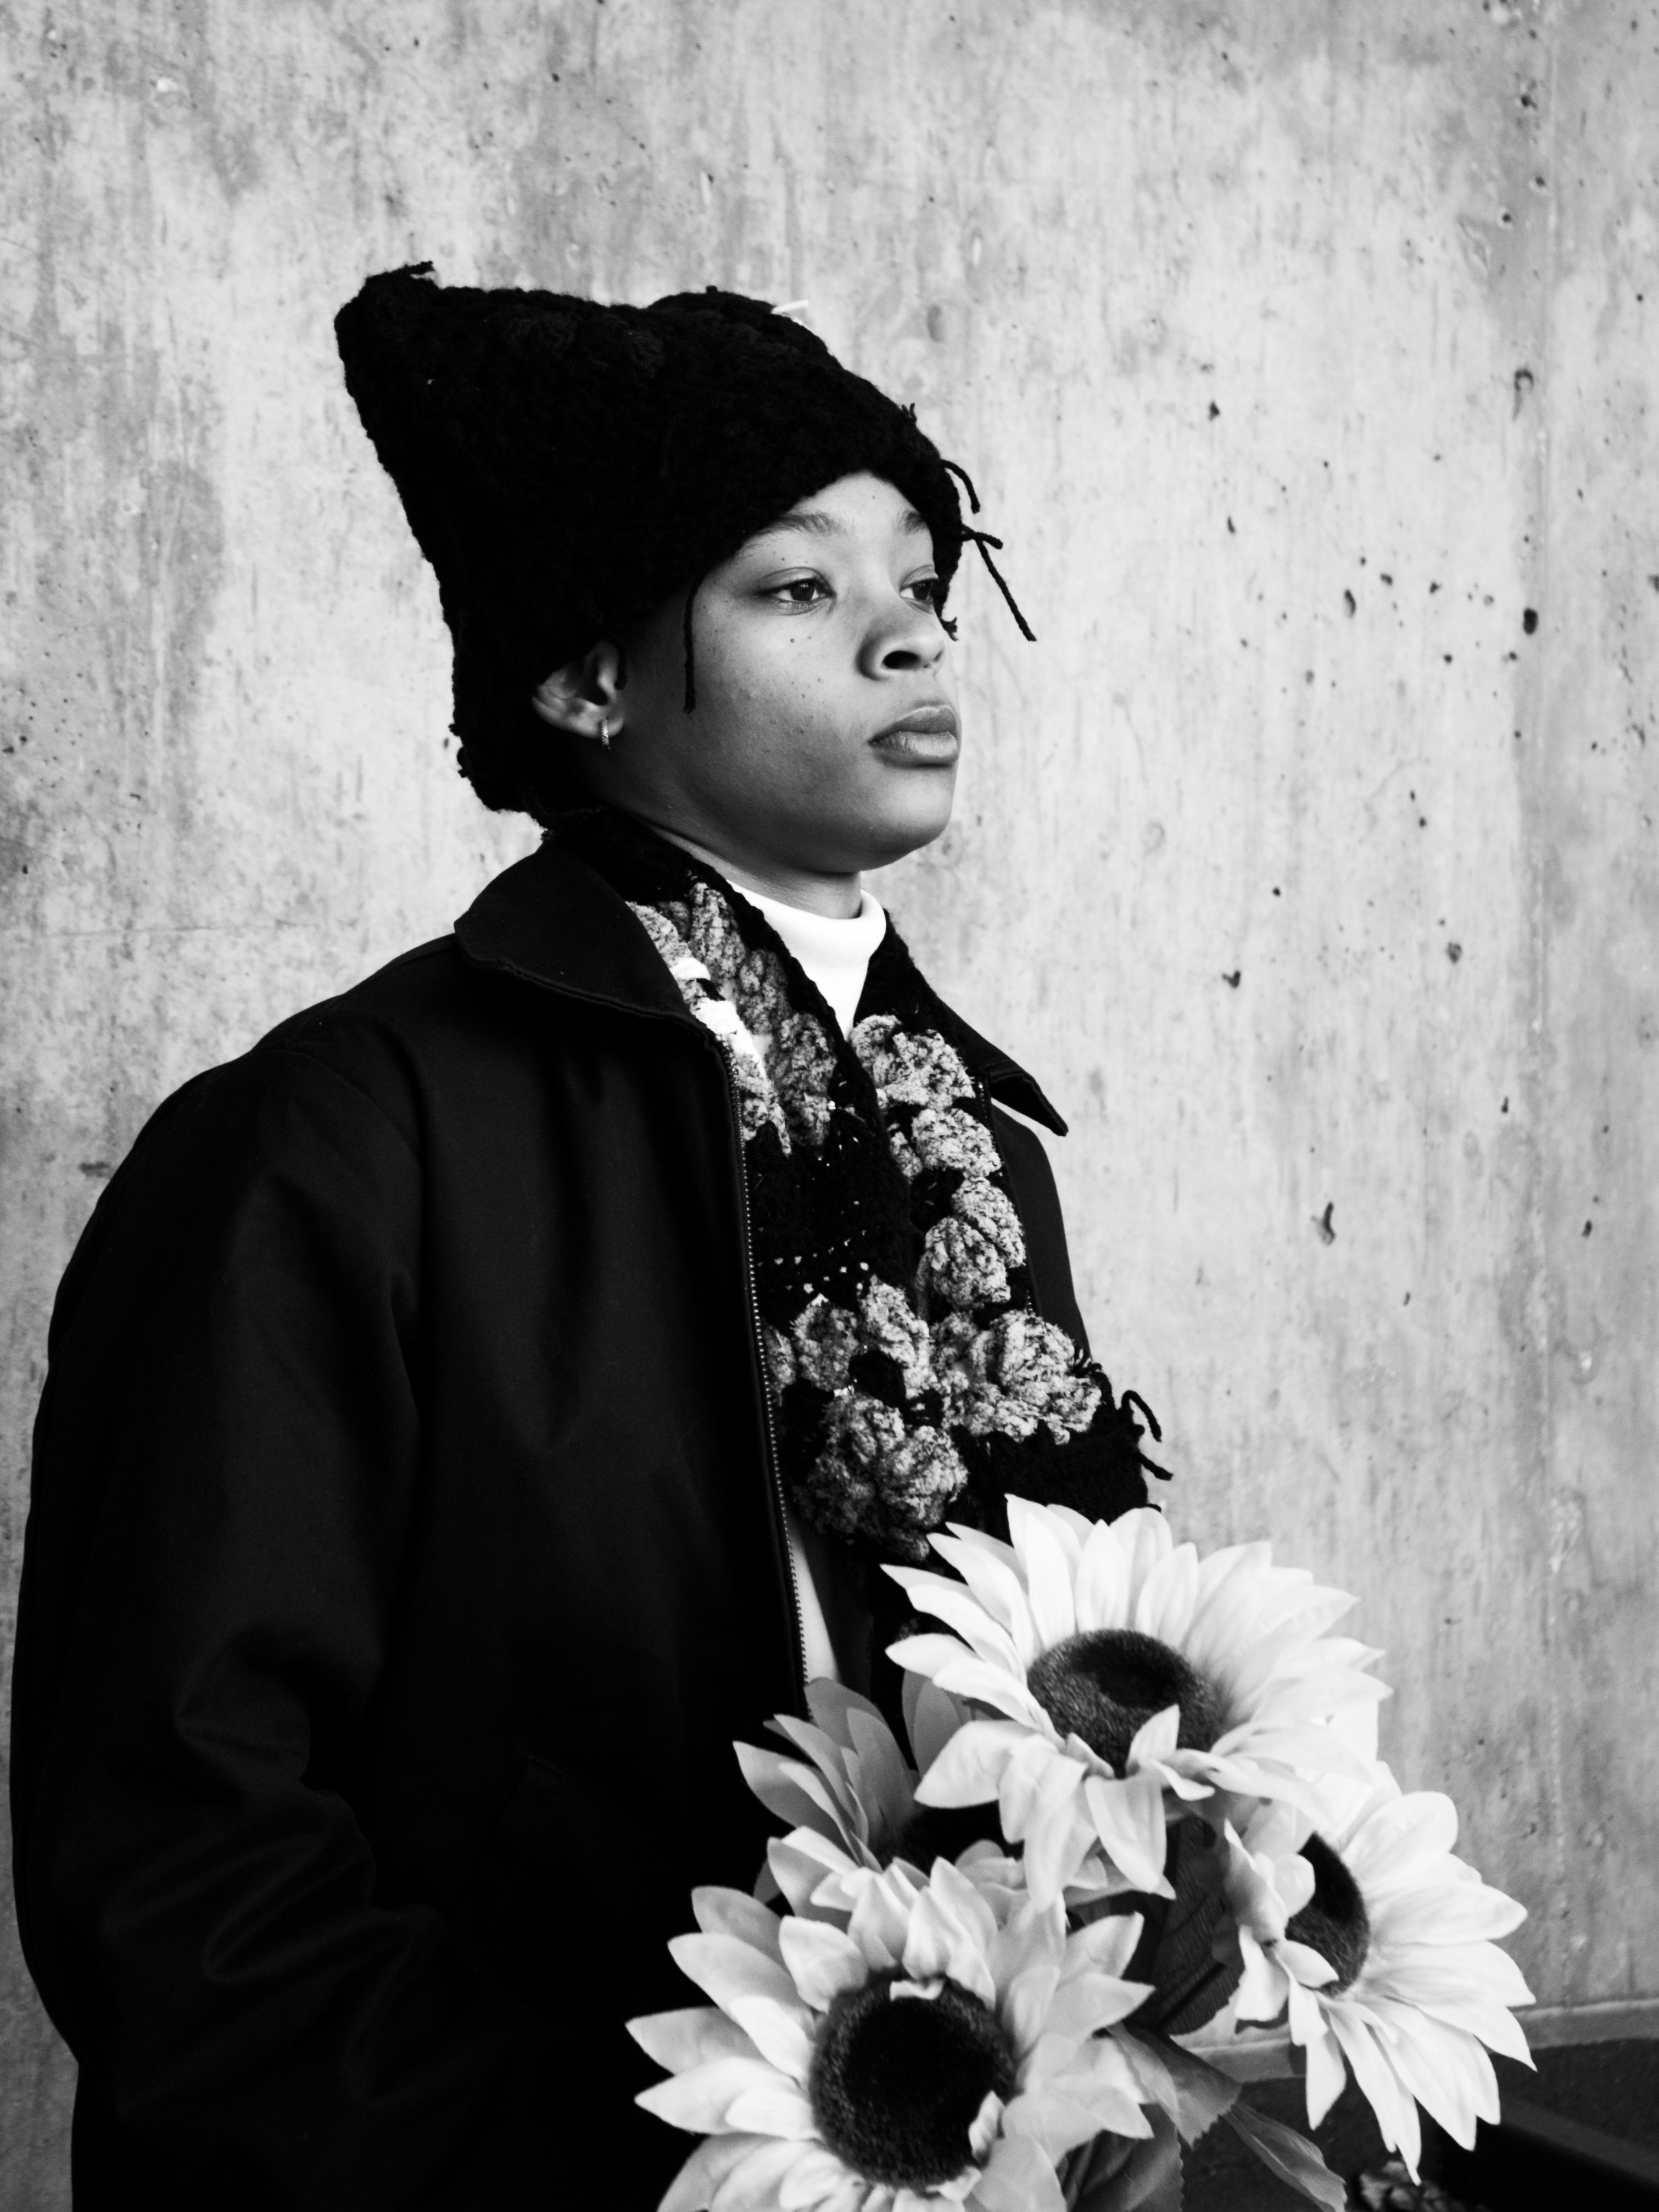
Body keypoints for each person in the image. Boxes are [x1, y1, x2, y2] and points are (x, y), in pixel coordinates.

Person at [10, 266, 1166, 2209]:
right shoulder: (327, 1146)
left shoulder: (961, 1148)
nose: (906, 634)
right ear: (586, 679)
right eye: (797, 588)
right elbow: (185, 1873)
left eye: (919, 575)